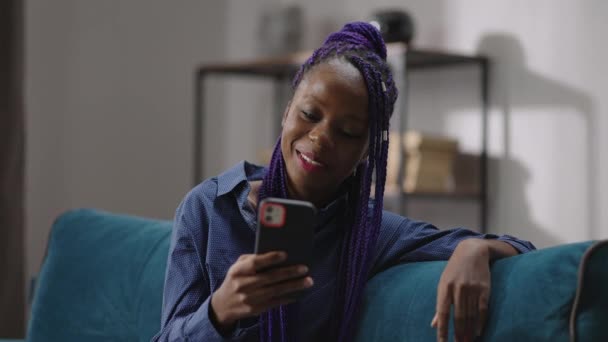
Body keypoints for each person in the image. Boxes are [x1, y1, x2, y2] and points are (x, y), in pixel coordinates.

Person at [153, 22, 535, 342]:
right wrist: (220, 310)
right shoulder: (209, 207)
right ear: (286, 112)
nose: (321, 138)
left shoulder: (369, 232)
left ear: (367, 152)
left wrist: (474, 249)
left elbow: (525, 250)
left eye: (348, 131)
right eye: (309, 114)